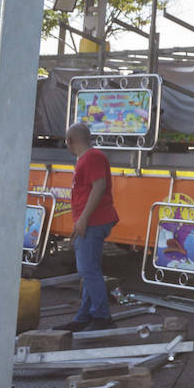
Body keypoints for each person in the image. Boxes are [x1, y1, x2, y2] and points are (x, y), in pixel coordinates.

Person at [61, 122, 119, 332]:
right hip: (91, 221)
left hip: (93, 221)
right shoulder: (88, 159)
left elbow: (99, 186)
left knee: (87, 269)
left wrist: (83, 218)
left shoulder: (92, 158)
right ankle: (85, 316)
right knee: (90, 270)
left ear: (70, 141)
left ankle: (102, 316)